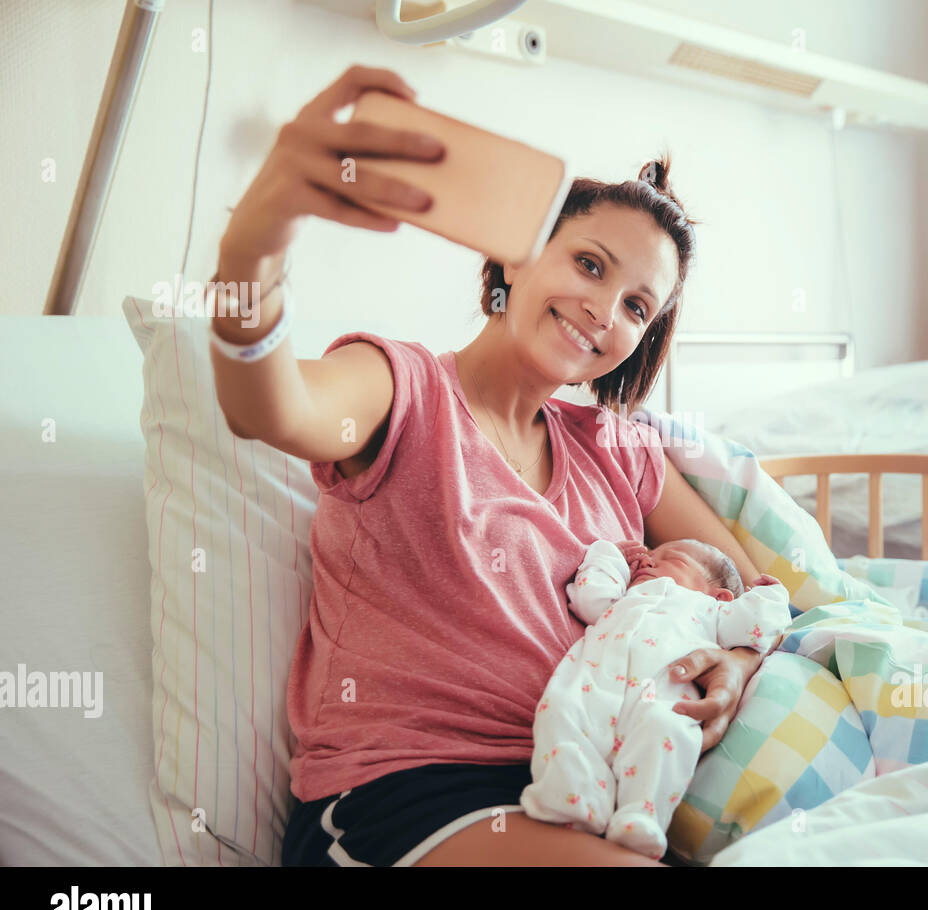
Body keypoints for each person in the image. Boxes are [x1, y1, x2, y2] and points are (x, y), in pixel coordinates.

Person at [208, 65, 776, 867]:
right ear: (516, 260)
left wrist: (740, 655)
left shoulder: (615, 449)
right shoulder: (403, 390)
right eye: (589, 265)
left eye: (637, 308)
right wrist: (253, 243)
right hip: (405, 801)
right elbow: (267, 407)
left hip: (582, 794)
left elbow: (742, 583)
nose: (603, 311)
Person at [522, 538, 790, 858]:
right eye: (648, 557)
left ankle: (642, 814)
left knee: (668, 731)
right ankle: (573, 797)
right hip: (592, 685)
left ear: (719, 595)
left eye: (671, 558)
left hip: (663, 697)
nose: (648, 561)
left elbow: (757, 628)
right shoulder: (623, 598)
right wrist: (612, 558)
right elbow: (588, 596)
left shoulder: (712, 611)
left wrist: (771, 595)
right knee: (561, 713)